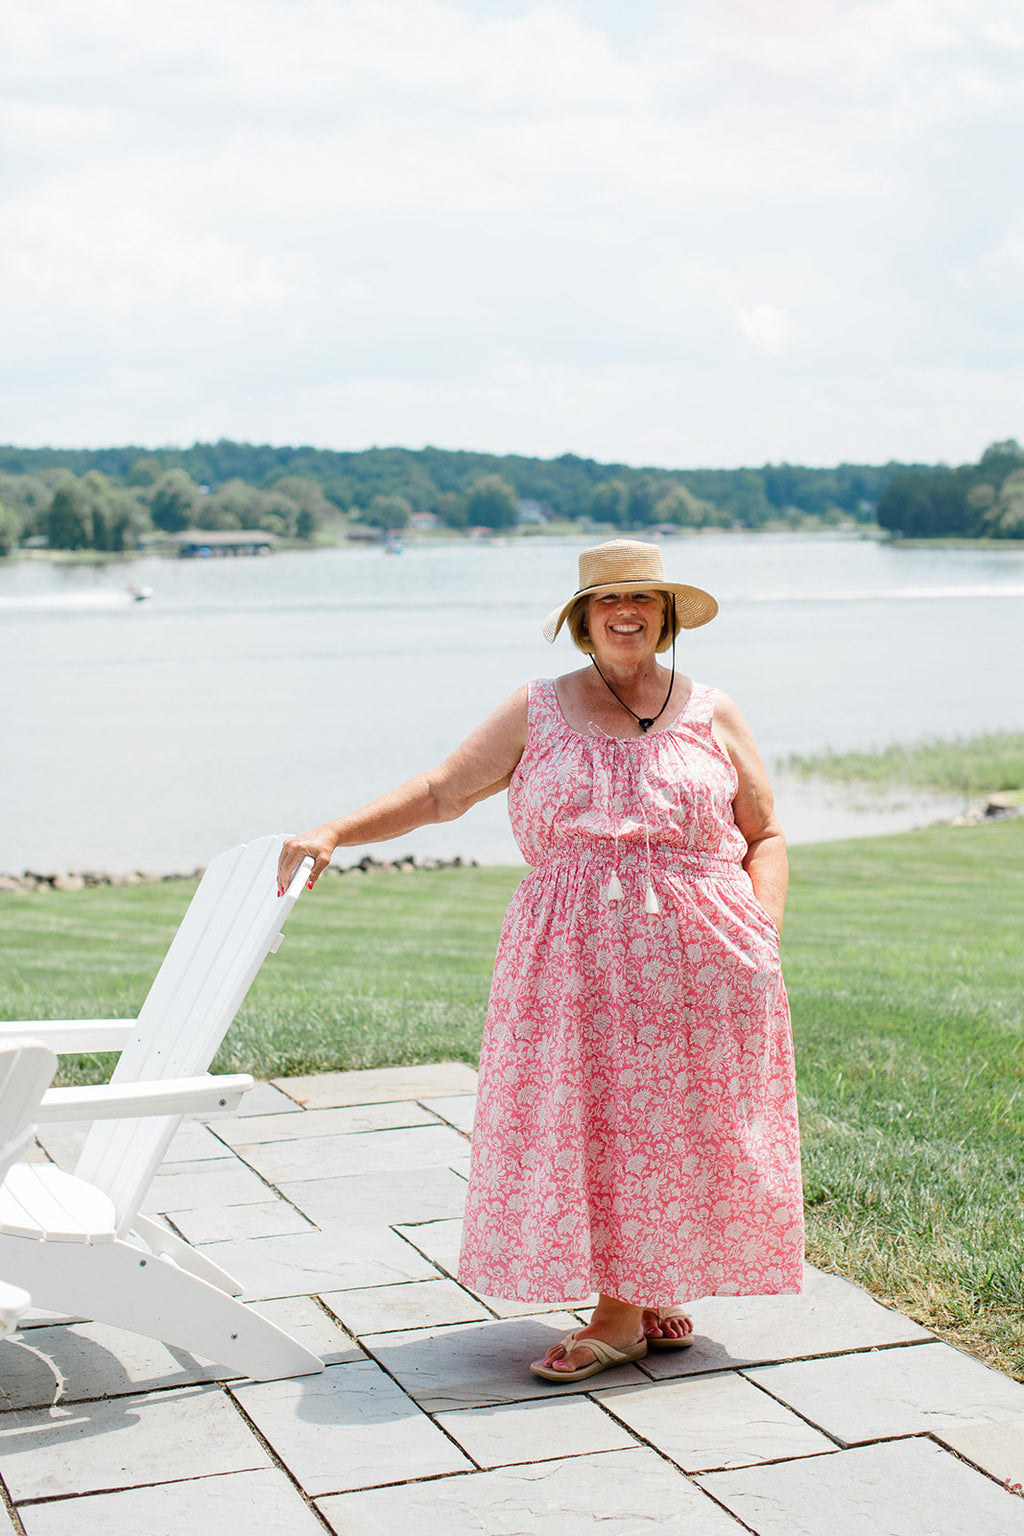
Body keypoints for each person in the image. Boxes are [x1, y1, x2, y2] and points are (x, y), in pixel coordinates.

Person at [276, 539, 803, 1382]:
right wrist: (337, 829)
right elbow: (444, 790)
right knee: (594, 1118)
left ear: (666, 618)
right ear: (583, 622)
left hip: (704, 955)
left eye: (643, 602)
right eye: (607, 603)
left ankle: (628, 1307)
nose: (626, 614)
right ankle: (636, 1294)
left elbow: (765, 832)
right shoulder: (539, 708)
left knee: (670, 1122)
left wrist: (761, 932)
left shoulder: (713, 710)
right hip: (575, 957)